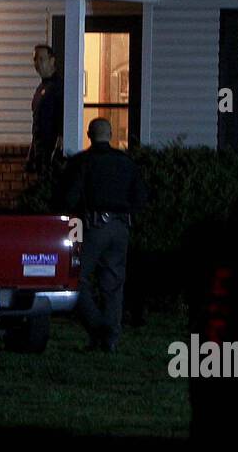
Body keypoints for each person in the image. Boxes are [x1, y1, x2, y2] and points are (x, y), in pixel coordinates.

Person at [57, 117, 148, 352]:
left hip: (93, 226)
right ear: (110, 135)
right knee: (113, 284)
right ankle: (110, 339)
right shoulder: (126, 163)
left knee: (75, 277)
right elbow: (140, 198)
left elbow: (69, 198)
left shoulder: (82, 162)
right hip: (121, 227)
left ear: (89, 134)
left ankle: (98, 327)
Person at [26, 44, 63, 174]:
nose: (37, 63)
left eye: (41, 59)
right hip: (40, 150)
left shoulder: (58, 87)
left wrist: (57, 149)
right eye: (35, 59)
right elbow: (37, 122)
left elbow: (62, 120)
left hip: (51, 151)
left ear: (52, 60)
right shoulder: (41, 87)